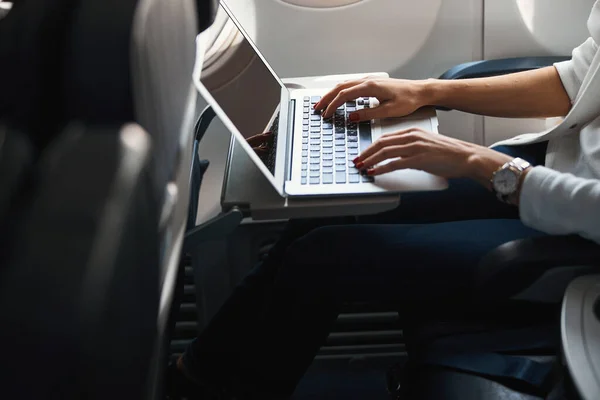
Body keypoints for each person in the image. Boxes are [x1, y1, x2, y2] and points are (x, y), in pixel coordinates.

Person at [168, 3, 600, 398]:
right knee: (336, 204)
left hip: (576, 229)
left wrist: (478, 162)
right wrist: (426, 91)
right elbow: (577, 83)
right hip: (549, 168)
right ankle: (196, 373)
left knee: (321, 258)